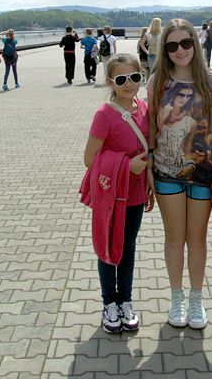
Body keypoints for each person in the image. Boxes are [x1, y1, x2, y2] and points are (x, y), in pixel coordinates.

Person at [146, 18, 212, 330]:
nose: (179, 50)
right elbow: (151, 127)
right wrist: (149, 165)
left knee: (197, 238)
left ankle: (196, 298)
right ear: (165, 50)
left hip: (204, 173)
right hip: (166, 172)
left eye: (185, 43)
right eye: (172, 45)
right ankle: (176, 297)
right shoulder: (157, 82)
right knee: (173, 237)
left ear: (195, 42)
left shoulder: (211, 84)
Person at [83, 54, 154, 333]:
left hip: (135, 193)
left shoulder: (144, 108)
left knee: (128, 246)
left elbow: (148, 150)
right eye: (121, 79)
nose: (129, 84)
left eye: (135, 77)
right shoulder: (104, 114)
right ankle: (108, 303)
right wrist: (127, 166)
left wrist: (148, 178)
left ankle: (125, 300)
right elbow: (89, 159)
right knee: (107, 244)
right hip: (110, 194)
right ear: (110, 82)